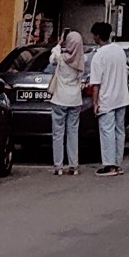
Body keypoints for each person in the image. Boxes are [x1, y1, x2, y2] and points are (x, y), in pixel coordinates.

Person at [85, 22, 129, 175]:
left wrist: (95, 102)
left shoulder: (99, 55)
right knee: (119, 131)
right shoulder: (120, 51)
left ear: (98, 36)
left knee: (107, 132)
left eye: (94, 35)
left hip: (107, 98)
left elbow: (96, 83)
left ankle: (109, 165)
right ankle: (117, 164)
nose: (93, 37)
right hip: (122, 97)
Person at [47, 28, 86, 174]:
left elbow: (52, 57)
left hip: (59, 99)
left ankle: (58, 166)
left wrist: (59, 43)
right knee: (73, 132)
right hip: (75, 100)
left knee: (58, 133)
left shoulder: (60, 57)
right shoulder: (82, 60)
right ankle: (74, 165)